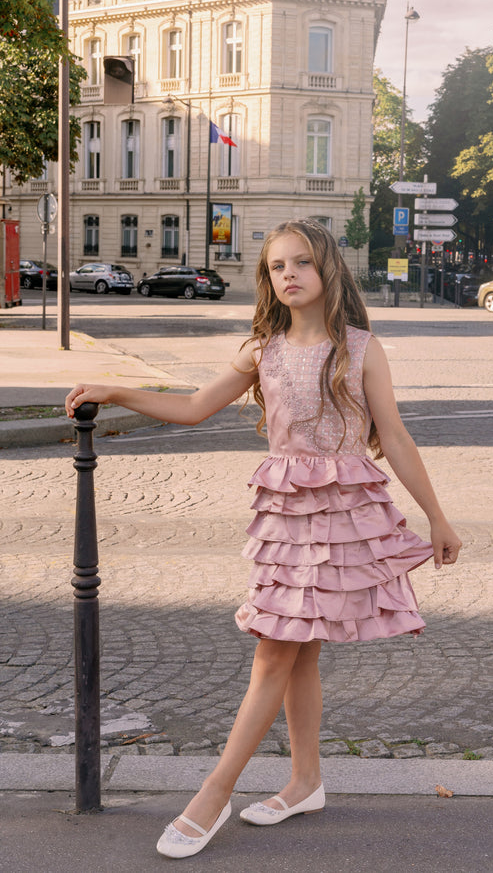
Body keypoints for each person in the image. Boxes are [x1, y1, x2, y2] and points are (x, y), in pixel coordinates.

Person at [65, 218, 461, 859]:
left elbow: (396, 437)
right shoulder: (261, 349)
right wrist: (114, 390)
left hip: (342, 519)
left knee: (278, 652)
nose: (289, 275)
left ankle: (214, 793)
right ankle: (305, 781)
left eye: (301, 263)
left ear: (327, 268)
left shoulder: (361, 348)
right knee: (294, 651)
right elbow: (194, 407)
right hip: (287, 521)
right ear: (268, 279)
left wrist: (438, 518)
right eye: (278, 267)